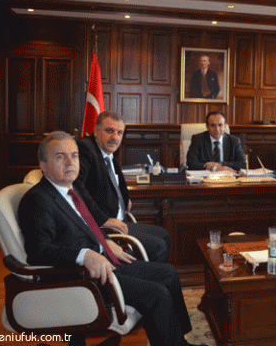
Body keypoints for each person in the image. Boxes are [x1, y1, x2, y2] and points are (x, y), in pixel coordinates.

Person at [18, 131, 204, 346]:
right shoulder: (38, 199)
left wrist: (104, 241)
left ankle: (179, 340)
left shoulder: (69, 190)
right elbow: (38, 251)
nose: (70, 162)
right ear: (43, 164)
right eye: (60, 156)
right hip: (81, 276)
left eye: (74, 155)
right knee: (157, 293)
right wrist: (85, 255)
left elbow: (87, 226)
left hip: (104, 260)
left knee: (169, 274)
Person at [74, 111, 171, 263]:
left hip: (119, 221)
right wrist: (103, 220)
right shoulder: (86, 149)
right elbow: (76, 188)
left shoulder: (107, 152)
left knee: (164, 235)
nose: (115, 137)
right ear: (96, 130)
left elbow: (115, 181)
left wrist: (124, 200)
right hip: (103, 228)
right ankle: (148, 274)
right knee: (158, 246)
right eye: (109, 131)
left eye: (119, 133)